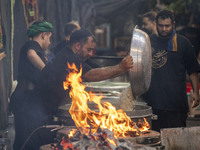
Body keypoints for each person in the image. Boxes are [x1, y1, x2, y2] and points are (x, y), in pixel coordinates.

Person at [10, 29, 133, 150]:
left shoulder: (73, 56)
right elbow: (92, 75)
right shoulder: (67, 57)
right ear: (78, 45)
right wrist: (121, 68)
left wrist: (119, 68)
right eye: (88, 50)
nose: (91, 54)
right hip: (34, 113)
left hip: (44, 112)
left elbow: (98, 68)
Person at [141, 10, 200, 132]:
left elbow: (193, 69)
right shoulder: (148, 41)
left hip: (176, 105)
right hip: (152, 104)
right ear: (155, 24)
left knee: (175, 141)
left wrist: (196, 92)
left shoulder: (183, 42)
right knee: (153, 141)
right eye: (160, 25)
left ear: (173, 24)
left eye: (167, 26)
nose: (163, 29)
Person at [10, 21, 54, 150]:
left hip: (28, 99)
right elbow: (31, 54)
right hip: (26, 98)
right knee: (27, 141)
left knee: (27, 139)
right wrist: (49, 73)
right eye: (50, 38)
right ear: (44, 35)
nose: (50, 42)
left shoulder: (35, 48)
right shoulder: (31, 45)